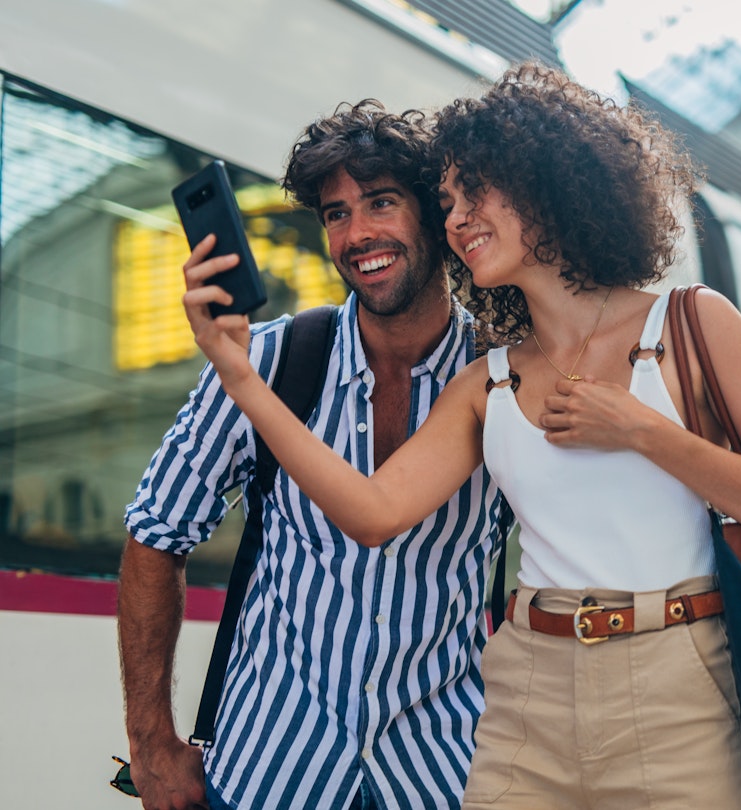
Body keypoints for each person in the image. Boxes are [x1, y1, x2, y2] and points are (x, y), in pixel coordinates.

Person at [182, 63, 741, 808]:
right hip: (529, 691)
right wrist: (239, 377)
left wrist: (643, 431)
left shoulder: (693, 324)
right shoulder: (487, 382)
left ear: (547, 185)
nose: (457, 219)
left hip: (678, 679)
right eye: (449, 201)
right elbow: (371, 514)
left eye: (477, 192)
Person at [118, 101, 509, 810]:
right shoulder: (265, 360)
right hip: (271, 768)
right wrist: (150, 746)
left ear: (435, 214)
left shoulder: (507, 379)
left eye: (381, 202)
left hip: (442, 774)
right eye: (336, 213)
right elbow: (156, 531)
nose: (358, 233)